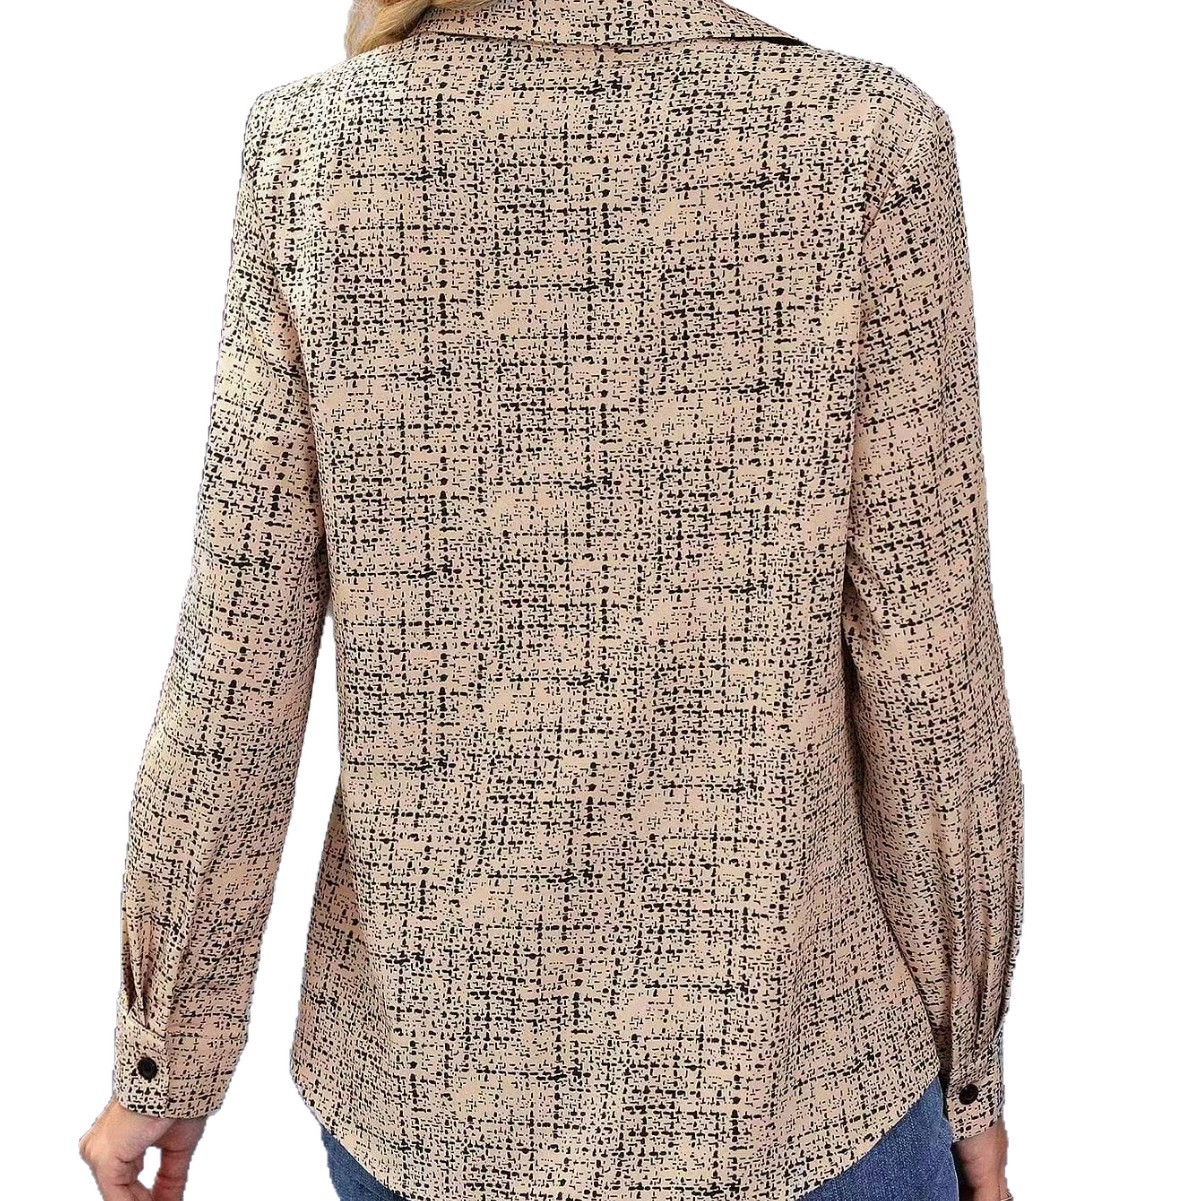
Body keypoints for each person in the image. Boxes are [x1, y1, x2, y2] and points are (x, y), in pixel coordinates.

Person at [78, 1, 1025, 1199]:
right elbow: (931, 672)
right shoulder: (865, 140)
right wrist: (971, 1069)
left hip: (430, 1094)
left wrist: (166, 1053)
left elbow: (235, 666)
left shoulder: (317, 150)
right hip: (795, 1079)